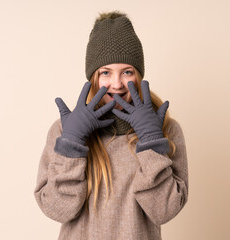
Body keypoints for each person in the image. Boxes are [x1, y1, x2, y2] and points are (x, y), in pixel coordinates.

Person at [34, 10, 188, 240]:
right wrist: (72, 143)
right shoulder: (65, 129)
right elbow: (56, 210)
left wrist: (151, 142)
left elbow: (164, 211)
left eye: (127, 72)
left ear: (138, 74)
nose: (117, 84)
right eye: (106, 72)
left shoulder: (165, 128)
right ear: (93, 77)